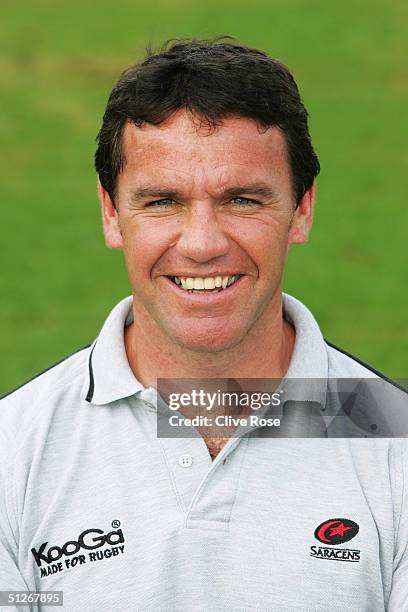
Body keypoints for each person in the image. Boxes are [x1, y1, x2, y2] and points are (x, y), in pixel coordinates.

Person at [0, 38, 407, 612]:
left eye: (242, 199)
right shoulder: (13, 451)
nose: (202, 245)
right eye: (163, 201)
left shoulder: (397, 441)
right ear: (111, 213)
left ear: (303, 208)